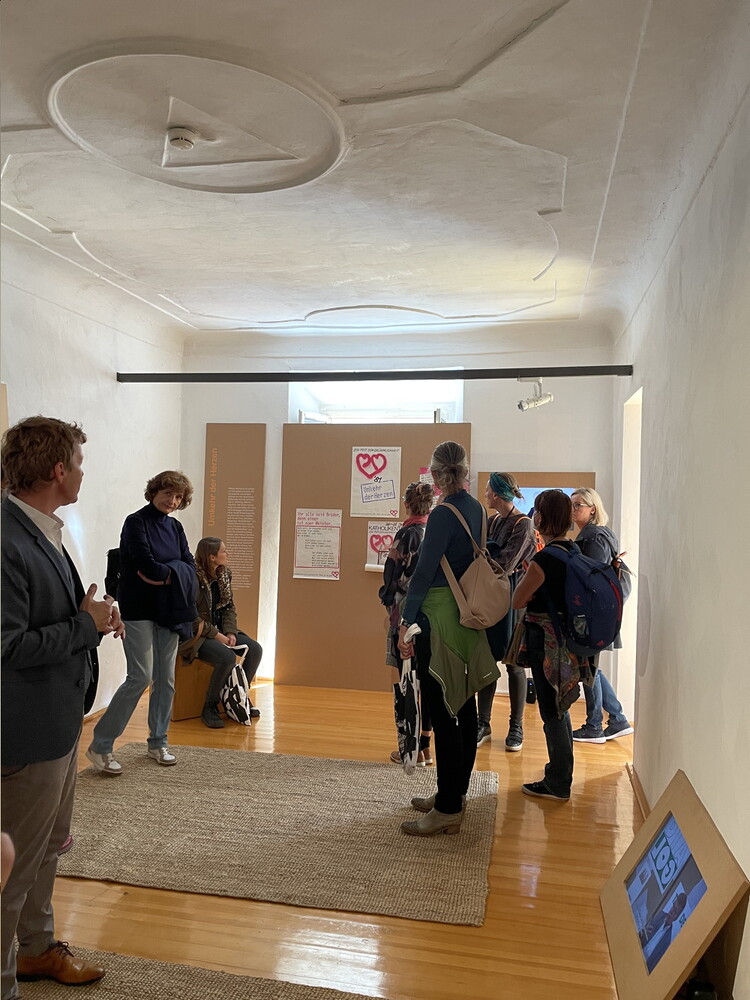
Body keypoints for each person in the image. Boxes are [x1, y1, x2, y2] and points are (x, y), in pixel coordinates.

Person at [1, 416, 124, 997]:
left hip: (57, 721)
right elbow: (8, 646)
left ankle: (36, 950)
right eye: (78, 463)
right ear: (57, 469)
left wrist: (90, 616)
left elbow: (48, 618)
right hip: (25, 731)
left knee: (48, 846)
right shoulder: (6, 539)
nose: (81, 473)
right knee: (12, 868)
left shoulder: (40, 528)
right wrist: (83, 626)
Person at [397, 442, 500, 836]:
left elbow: (424, 572)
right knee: (465, 707)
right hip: (467, 614)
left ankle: (447, 808)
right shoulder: (476, 508)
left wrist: (406, 620)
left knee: (442, 712)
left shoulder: (442, 513)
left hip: (440, 616)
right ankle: (454, 793)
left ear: (437, 474)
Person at [87, 471, 196, 773]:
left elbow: (189, 564)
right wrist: (173, 571)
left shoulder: (175, 527)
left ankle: (158, 741)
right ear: (154, 492)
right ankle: (101, 745)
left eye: (178, 497)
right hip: (138, 609)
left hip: (169, 609)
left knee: (166, 679)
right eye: (167, 493)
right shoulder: (135, 522)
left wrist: (168, 572)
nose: (172, 500)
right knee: (140, 677)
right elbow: (147, 565)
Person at [512, 489, 592, 801]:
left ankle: (558, 782)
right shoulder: (573, 550)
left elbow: (518, 600)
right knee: (561, 707)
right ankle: (560, 774)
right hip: (567, 640)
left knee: (551, 711)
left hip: (545, 643)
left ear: (541, 517)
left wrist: (531, 588)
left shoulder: (544, 559)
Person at [476, 473, 537, 751]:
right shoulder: (494, 521)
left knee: (514, 664)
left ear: (498, 494)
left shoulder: (524, 524)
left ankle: (516, 727)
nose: (485, 494)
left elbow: (506, 564)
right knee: (487, 660)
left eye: (488, 490)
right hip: (492, 596)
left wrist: (486, 555)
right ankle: (483, 723)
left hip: (513, 599)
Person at [569, 488, 634, 743]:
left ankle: (594, 726)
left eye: (578, 505)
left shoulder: (593, 537)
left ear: (592, 508)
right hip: (601, 613)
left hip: (593, 614)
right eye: (572, 505)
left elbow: (591, 578)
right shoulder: (597, 534)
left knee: (588, 667)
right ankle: (617, 719)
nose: (573, 509)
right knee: (591, 667)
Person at [179, 537, 263, 728]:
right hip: (198, 634)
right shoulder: (192, 577)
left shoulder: (224, 574)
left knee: (255, 649)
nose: (227, 554)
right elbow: (191, 618)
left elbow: (229, 608)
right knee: (226, 657)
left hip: (221, 629)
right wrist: (217, 635)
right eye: (224, 551)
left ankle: (240, 696)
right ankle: (209, 706)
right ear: (212, 557)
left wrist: (231, 632)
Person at [379, 481, 435, 766]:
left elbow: (392, 576)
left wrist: (387, 599)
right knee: (426, 682)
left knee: (406, 682)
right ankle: (426, 747)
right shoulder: (433, 532)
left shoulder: (406, 534)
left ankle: (409, 749)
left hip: (404, 614)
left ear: (407, 505)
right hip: (430, 615)